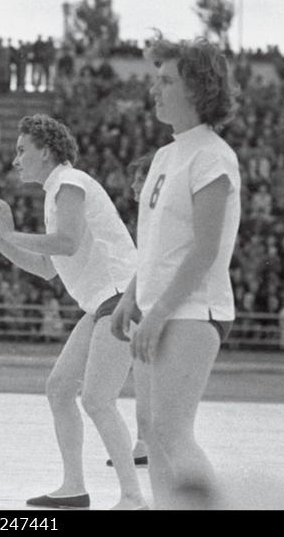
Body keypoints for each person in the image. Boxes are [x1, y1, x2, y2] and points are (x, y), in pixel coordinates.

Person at [0, 114, 146, 510]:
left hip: (121, 298)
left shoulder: (69, 183)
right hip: (104, 303)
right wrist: (0, 242)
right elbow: (47, 267)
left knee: (97, 399)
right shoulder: (58, 191)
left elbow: (66, 243)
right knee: (59, 389)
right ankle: (74, 487)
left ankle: (133, 498)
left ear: (46, 150)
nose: (16, 159)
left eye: (22, 150)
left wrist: (9, 234)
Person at [111, 34, 240, 509]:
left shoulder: (212, 155)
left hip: (191, 310)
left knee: (171, 430)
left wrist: (159, 312)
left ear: (197, 88)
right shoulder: (167, 156)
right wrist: (131, 298)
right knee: (151, 429)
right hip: (157, 309)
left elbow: (205, 249)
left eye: (166, 80)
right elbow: (156, 248)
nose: (155, 89)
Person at [107, 150, 155, 469]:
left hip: (155, 306)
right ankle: (145, 441)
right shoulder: (148, 217)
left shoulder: (158, 216)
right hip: (147, 303)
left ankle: (150, 442)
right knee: (143, 378)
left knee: (149, 378)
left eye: (141, 179)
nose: (134, 186)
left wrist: (132, 300)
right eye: (134, 179)